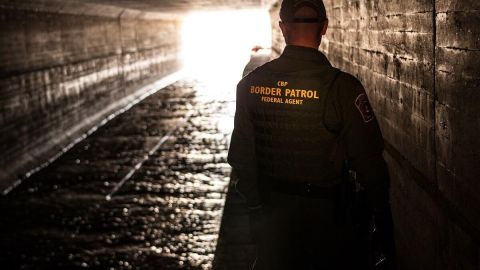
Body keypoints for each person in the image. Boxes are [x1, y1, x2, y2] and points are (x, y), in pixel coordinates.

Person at [227, 0, 394, 269]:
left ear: (283, 28)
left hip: (272, 217)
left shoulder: (250, 84)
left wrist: (257, 211)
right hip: (328, 223)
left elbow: (242, 158)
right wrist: (383, 225)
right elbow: (370, 166)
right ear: (325, 27)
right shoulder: (343, 88)